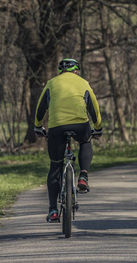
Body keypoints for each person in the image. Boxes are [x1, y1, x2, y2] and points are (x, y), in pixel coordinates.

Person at [34, 58, 103, 223]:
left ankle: (52, 210)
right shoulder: (83, 83)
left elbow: (40, 106)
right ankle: (83, 176)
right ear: (76, 70)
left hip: (57, 127)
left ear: (60, 71)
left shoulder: (51, 83)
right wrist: (98, 127)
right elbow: (94, 107)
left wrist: (37, 126)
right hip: (80, 124)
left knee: (55, 165)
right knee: (85, 142)